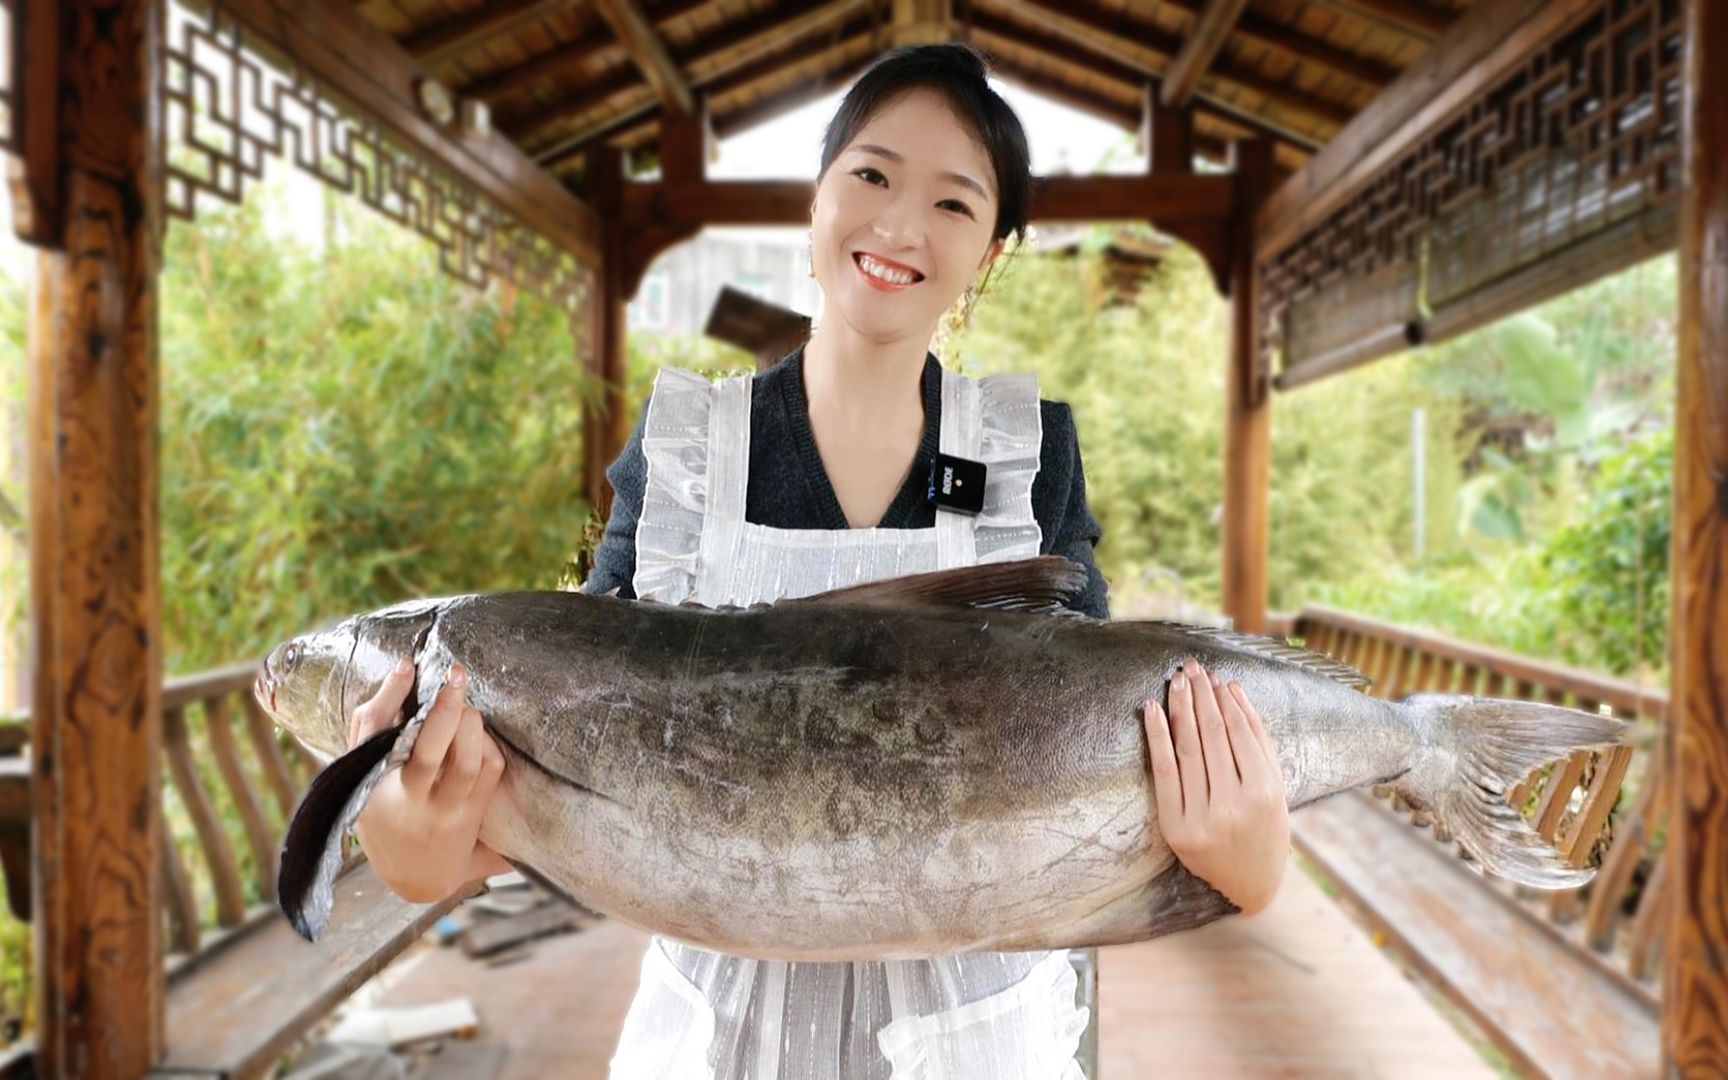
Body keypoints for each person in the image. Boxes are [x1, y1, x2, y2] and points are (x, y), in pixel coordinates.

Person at [347, 44, 1291, 1080]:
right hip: (720, 1038)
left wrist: (1246, 857)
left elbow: (1101, 725)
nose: (898, 226)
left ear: (993, 254)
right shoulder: (688, 450)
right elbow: (566, 727)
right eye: (872, 176)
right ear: (817, 196)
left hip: (980, 1035)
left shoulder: (1030, 449)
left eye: (954, 203)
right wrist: (413, 836)